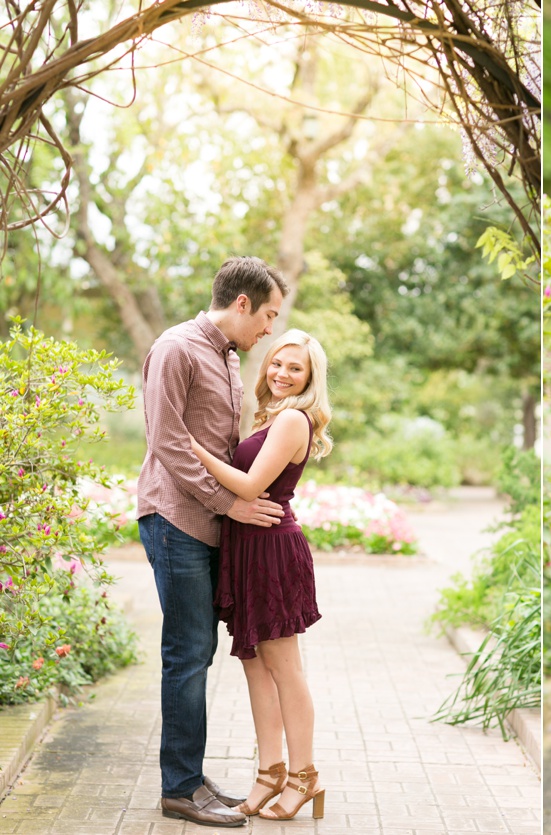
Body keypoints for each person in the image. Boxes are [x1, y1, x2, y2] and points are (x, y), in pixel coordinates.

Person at [137, 255, 289, 827]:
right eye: (269, 314)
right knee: (186, 651)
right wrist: (233, 505)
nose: (270, 329)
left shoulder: (225, 355)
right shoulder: (176, 347)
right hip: (175, 519)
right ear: (243, 303)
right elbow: (169, 443)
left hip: (206, 525)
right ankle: (178, 788)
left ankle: (192, 777)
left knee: (197, 651)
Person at [189, 328, 332, 821]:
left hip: (272, 550)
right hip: (247, 548)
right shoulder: (269, 416)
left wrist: (193, 449)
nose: (282, 373)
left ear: (311, 376)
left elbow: (250, 484)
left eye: (295, 368)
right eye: (277, 363)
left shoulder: (293, 419)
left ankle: (304, 776)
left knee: (284, 668)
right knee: (254, 665)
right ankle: (269, 773)